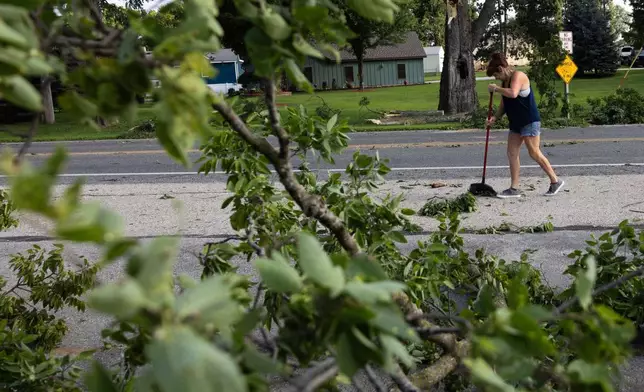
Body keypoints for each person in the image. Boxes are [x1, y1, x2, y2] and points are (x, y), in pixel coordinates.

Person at [486, 53, 565, 198]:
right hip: (516, 122)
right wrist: (495, 118)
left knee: (534, 152)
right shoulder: (504, 82)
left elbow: (514, 93)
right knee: (511, 153)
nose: (496, 78)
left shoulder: (518, 76)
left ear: (501, 69)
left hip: (529, 121)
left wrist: (496, 89)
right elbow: (504, 104)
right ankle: (514, 188)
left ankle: (555, 181)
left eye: (496, 75)